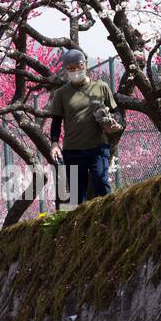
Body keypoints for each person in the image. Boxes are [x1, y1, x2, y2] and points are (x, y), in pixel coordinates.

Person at [46, 48, 122, 207]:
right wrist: (54, 143)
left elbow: (116, 113)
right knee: (76, 195)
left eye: (78, 66)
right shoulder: (61, 94)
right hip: (72, 150)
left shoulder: (101, 87)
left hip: (98, 147)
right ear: (65, 70)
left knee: (101, 183)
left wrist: (114, 124)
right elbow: (56, 122)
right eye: (70, 68)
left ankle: (110, 220)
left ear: (85, 65)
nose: (75, 70)